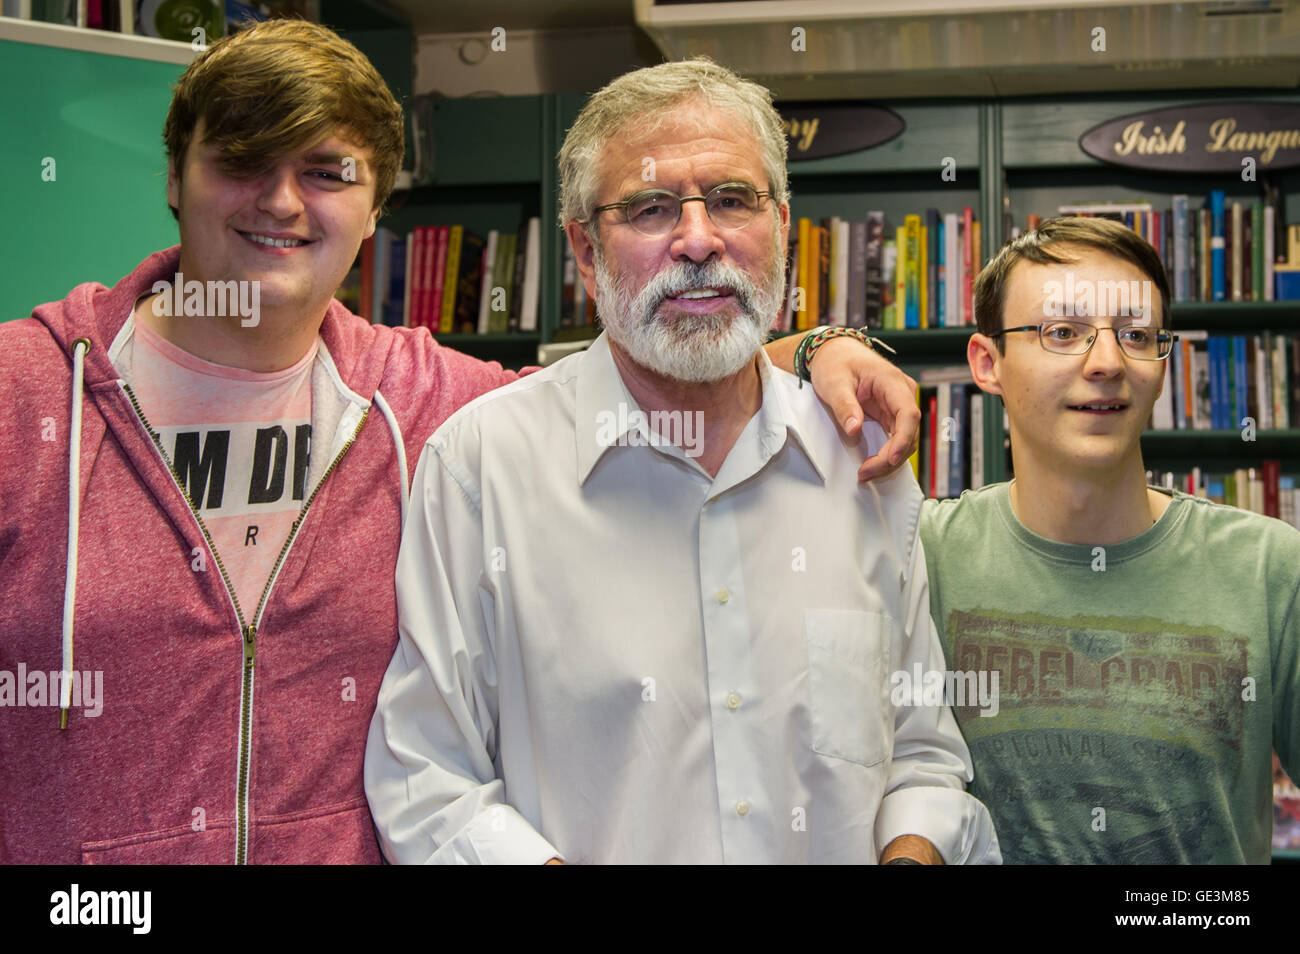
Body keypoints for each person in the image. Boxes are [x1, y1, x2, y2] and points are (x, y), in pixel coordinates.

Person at [0, 23, 919, 863]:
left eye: (327, 172)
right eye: (240, 160)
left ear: (375, 209)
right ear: (174, 177)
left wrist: (823, 348)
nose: (281, 202)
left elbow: (654, 370)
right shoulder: (22, 395)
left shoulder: (421, 399)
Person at [364, 58, 1000, 865]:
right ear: (586, 253)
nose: (699, 240)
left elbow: (921, 752)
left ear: (781, 224)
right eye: (651, 208)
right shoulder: (480, 466)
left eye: (733, 200)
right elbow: (427, 779)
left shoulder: (861, 459)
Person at [920, 215, 1300, 863]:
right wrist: (826, 346)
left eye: (1135, 334)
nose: (1106, 363)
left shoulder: (1270, 567)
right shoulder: (924, 554)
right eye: (1062, 332)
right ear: (988, 363)